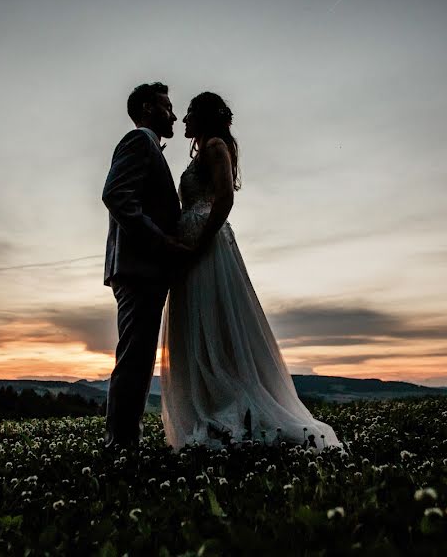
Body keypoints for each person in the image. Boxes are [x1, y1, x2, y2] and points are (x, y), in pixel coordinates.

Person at [160, 91, 342, 452]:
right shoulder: (205, 148)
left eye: (190, 113)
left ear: (205, 116)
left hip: (207, 246)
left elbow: (225, 198)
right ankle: (209, 412)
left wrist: (200, 240)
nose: (183, 120)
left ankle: (234, 414)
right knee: (197, 326)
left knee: (217, 322)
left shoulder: (215, 146)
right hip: (192, 245)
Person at [101, 82, 189, 449]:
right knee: (135, 358)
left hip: (144, 269)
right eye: (168, 106)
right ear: (148, 107)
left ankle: (124, 440)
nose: (174, 114)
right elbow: (116, 195)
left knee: (138, 357)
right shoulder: (139, 142)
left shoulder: (151, 147)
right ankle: (120, 444)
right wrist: (163, 241)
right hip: (138, 268)